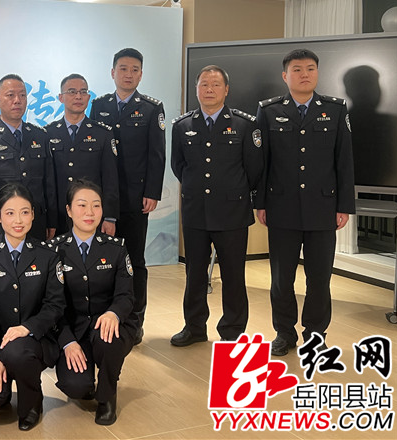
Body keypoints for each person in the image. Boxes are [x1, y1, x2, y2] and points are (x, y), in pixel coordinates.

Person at [255, 48, 355, 356]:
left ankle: (315, 334)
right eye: (297, 69)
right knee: (281, 278)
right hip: (281, 207)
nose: (304, 74)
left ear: (317, 73)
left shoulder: (335, 109)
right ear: (285, 76)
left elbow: (344, 161)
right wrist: (260, 202)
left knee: (319, 279)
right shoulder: (268, 110)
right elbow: (262, 161)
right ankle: (284, 333)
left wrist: (344, 205)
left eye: (310, 68)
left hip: (322, 208)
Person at [169, 65, 263, 347]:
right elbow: (178, 166)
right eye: (204, 85)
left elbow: (254, 169)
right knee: (194, 274)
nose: (209, 90)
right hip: (196, 211)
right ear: (196, 89)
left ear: (226, 90)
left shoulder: (245, 124)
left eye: (215, 85)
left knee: (233, 275)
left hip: (232, 212)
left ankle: (233, 330)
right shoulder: (182, 125)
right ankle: (194, 327)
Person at [0, 183, 65, 432]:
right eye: (10, 213)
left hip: (35, 340)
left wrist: (27, 328)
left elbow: (55, 305)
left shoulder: (48, 254)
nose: (18, 220)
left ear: (33, 214)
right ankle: (6, 381)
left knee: (17, 352)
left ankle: (32, 402)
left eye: (24, 212)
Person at [90, 48, 166, 344]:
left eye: (135, 70)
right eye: (123, 69)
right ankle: (104, 318)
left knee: (134, 260)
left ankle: (134, 321)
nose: (128, 74)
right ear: (113, 72)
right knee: (103, 259)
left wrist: (152, 192)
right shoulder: (99, 105)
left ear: (141, 75)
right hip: (103, 200)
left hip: (135, 198)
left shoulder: (151, 108)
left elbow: (157, 154)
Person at [51, 180, 136, 426]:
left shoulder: (116, 248)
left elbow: (126, 295)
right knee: (75, 386)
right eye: (82, 205)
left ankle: (107, 396)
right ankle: (87, 381)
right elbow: (52, 305)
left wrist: (113, 314)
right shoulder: (55, 250)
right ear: (69, 210)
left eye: (96, 205)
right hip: (73, 329)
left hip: (109, 326)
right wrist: (67, 341)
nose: (90, 212)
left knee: (108, 338)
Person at [0, 74, 57, 245]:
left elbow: (49, 184)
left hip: (35, 223)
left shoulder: (40, 136)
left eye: (22, 95)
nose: (17, 100)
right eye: (10, 95)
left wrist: (51, 221)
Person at [46, 74, 119, 235]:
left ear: (88, 97)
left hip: (92, 215)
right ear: (61, 98)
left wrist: (110, 217)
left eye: (83, 92)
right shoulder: (47, 133)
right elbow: (47, 182)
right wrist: (49, 220)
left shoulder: (103, 133)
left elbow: (110, 178)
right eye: (72, 92)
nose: (78, 96)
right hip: (59, 216)